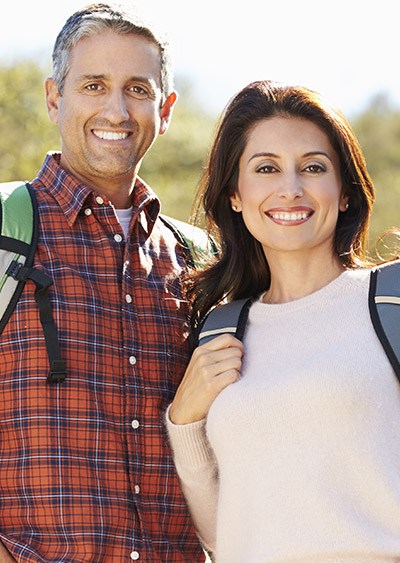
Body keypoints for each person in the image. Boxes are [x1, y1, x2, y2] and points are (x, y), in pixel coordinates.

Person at [0, 3, 209, 562]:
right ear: (53, 98)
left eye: (137, 89)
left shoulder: (200, 260)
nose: (116, 109)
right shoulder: (4, 231)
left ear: (164, 109)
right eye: (94, 85)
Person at [165, 80, 400, 562]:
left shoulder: (392, 300)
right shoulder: (222, 330)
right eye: (266, 168)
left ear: (345, 193)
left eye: (313, 167)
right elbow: (221, 533)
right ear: (234, 194)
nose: (290, 189)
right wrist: (185, 420)